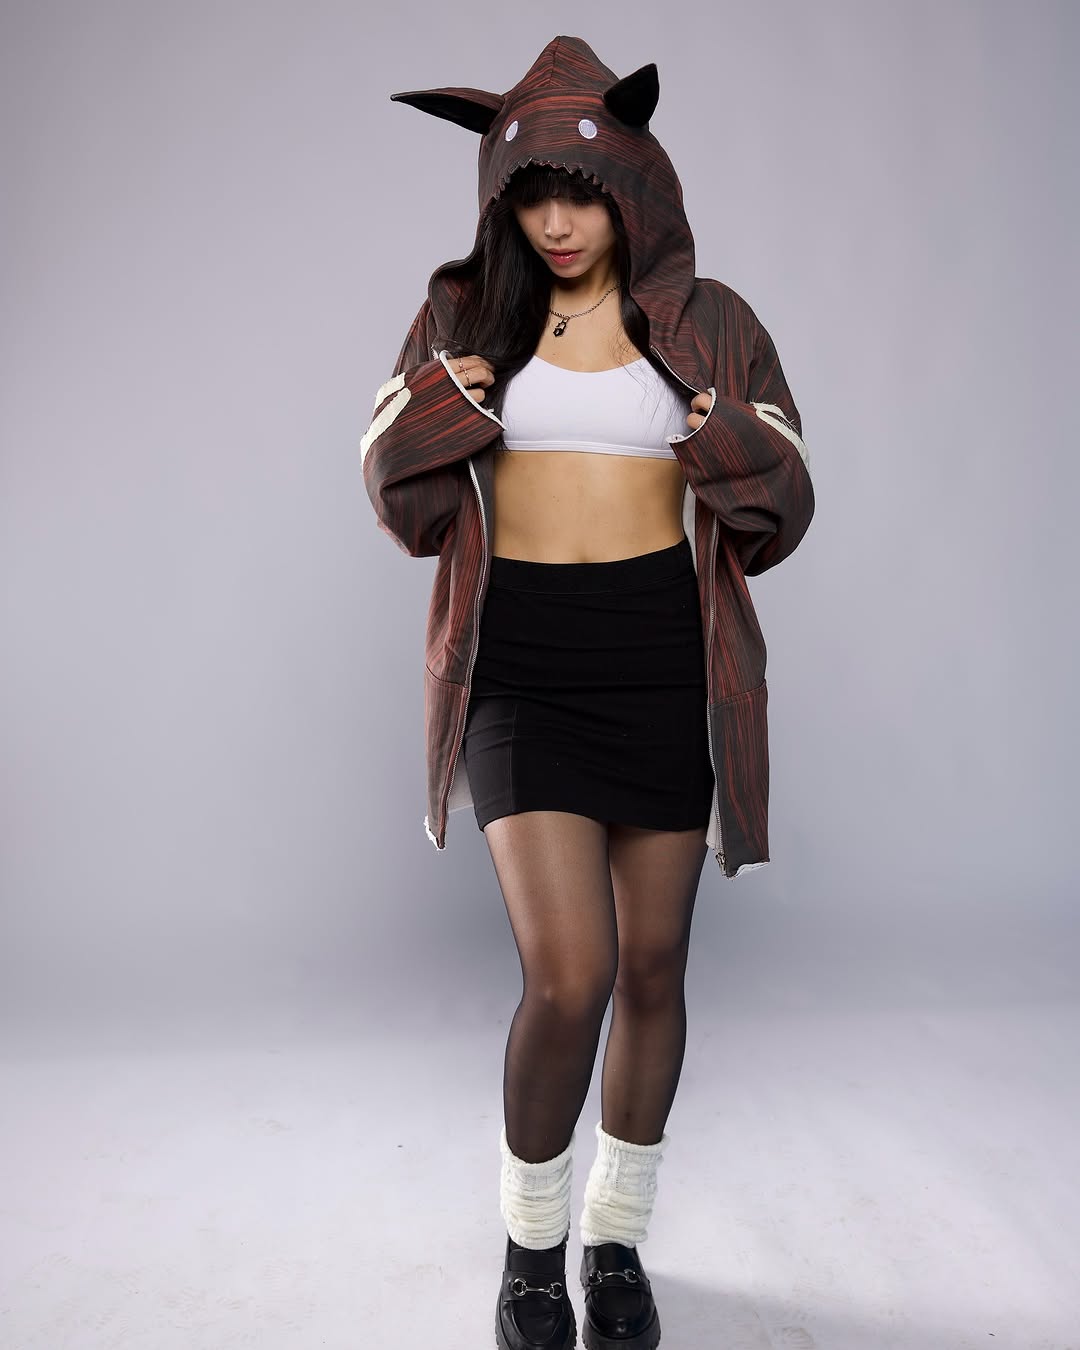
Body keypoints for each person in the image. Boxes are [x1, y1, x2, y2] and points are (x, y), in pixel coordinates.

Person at [361, 36, 815, 1350]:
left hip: (662, 659)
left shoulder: (710, 321)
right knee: (573, 976)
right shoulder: (463, 313)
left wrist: (715, 431)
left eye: (581, 193)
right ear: (502, 203)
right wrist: (448, 405)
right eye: (533, 198)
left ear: (631, 188)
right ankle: (530, 1251)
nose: (557, 223)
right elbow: (392, 486)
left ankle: (616, 1241)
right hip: (518, 664)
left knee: (656, 967)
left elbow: (787, 495)